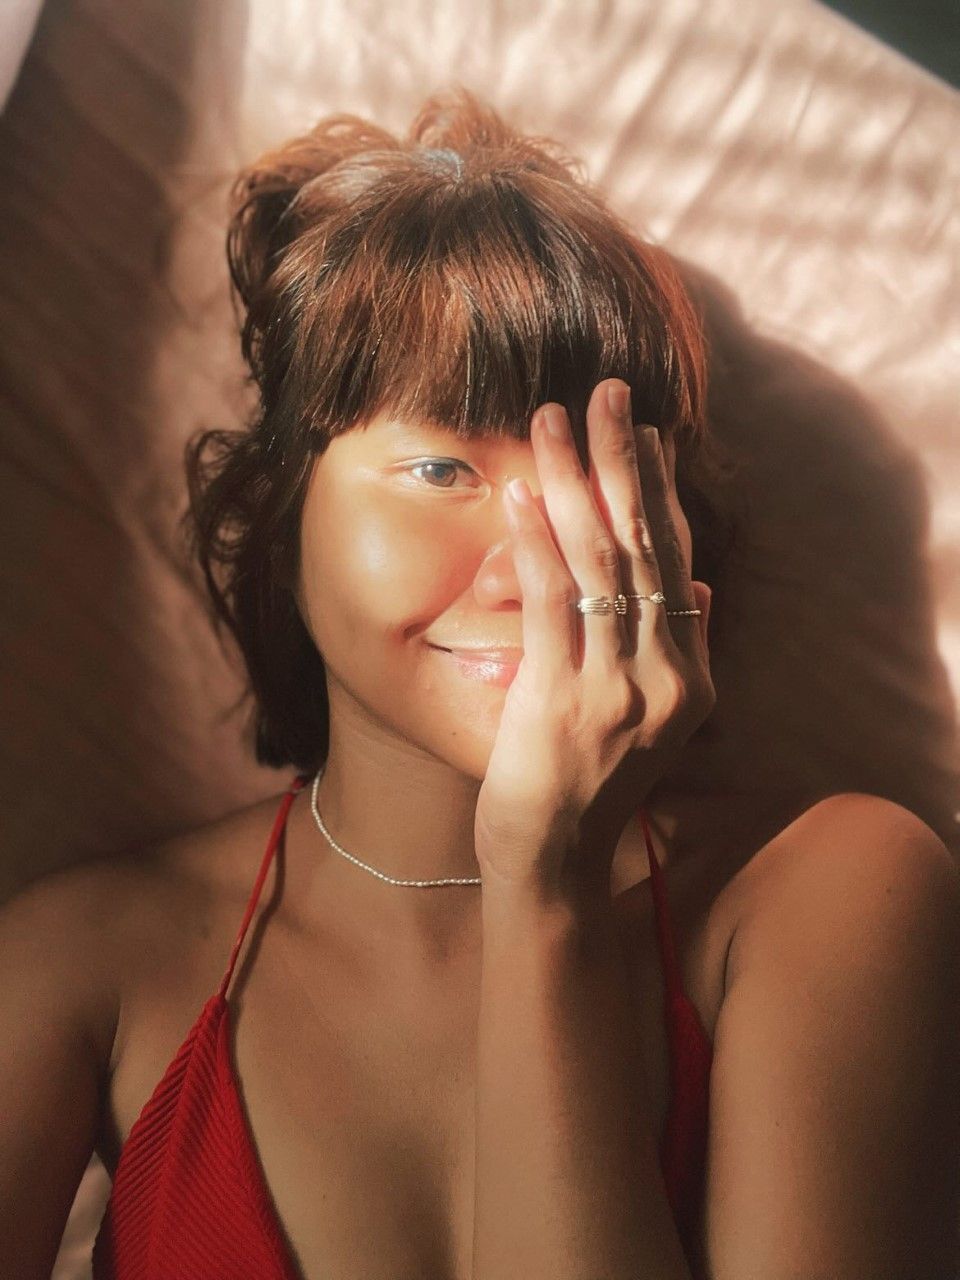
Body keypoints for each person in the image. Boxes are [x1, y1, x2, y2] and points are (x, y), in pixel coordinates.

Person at [2, 87, 959, 1280]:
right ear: (283, 518)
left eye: (588, 476)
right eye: (441, 466)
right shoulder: (80, 963)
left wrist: (546, 880)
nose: (530, 565)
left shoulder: (832, 891)